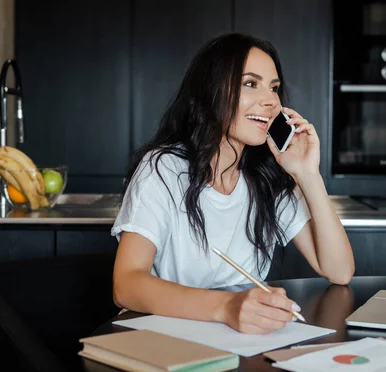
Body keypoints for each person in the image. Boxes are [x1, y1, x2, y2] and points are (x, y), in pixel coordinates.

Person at [111, 32, 354, 335]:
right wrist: (227, 307)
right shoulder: (164, 168)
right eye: (250, 84)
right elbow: (126, 284)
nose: (270, 101)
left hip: (246, 342)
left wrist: (308, 175)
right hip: (171, 339)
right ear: (212, 91)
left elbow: (339, 271)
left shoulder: (268, 177)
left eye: (274, 88)